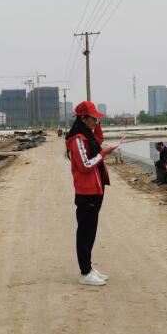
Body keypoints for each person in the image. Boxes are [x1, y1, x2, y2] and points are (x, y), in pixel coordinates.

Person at [66, 101, 116, 286]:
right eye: (93, 118)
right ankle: (85, 272)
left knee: (91, 231)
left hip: (96, 189)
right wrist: (103, 154)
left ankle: (89, 268)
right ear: (83, 118)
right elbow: (85, 165)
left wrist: (98, 126)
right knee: (85, 232)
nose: (96, 121)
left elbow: (98, 141)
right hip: (86, 192)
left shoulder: (88, 135)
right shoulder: (77, 140)